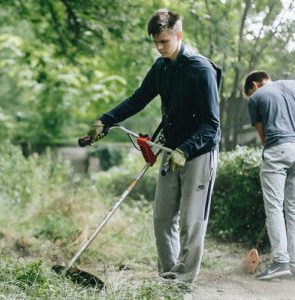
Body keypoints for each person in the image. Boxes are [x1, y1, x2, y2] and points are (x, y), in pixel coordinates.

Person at [86, 9, 222, 284]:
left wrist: (186, 149)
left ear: (178, 35)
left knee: (190, 221)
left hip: (199, 151)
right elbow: (138, 99)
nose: (160, 48)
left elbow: (212, 123)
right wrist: (106, 120)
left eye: (164, 42)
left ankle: (183, 282)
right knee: (162, 217)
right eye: (156, 43)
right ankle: (168, 276)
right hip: (170, 148)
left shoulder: (201, 69)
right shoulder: (161, 67)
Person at [243, 70, 295, 280]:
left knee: (274, 207)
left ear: (253, 86)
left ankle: (280, 261)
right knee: (294, 208)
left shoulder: (255, 98)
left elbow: (264, 139)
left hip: (277, 151)